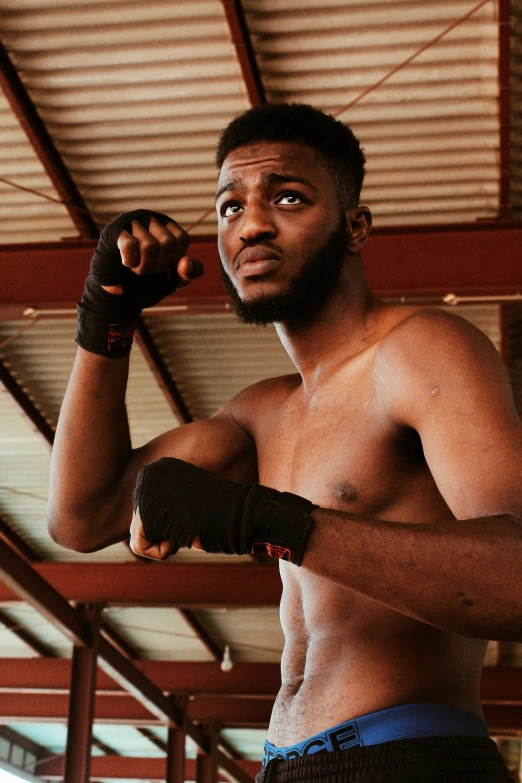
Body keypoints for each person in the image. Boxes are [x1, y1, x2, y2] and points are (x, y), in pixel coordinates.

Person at [48, 103, 520, 782]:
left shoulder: (420, 350)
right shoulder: (263, 411)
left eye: (288, 198)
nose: (252, 225)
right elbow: (81, 515)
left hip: (412, 758)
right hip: (282, 767)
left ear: (355, 226)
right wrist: (107, 316)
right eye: (229, 207)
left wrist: (269, 520)